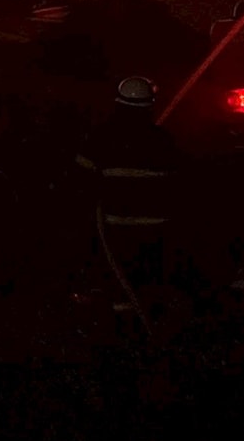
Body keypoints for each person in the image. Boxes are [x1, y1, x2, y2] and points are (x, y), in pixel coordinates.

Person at [76, 75, 179, 333]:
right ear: (150, 105)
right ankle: (148, 323)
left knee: (117, 277)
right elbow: (179, 181)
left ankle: (119, 328)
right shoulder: (163, 140)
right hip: (157, 227)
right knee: (147, 277)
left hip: (113, 225)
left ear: (118, 103)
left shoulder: (100, 136)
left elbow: (80, 181)